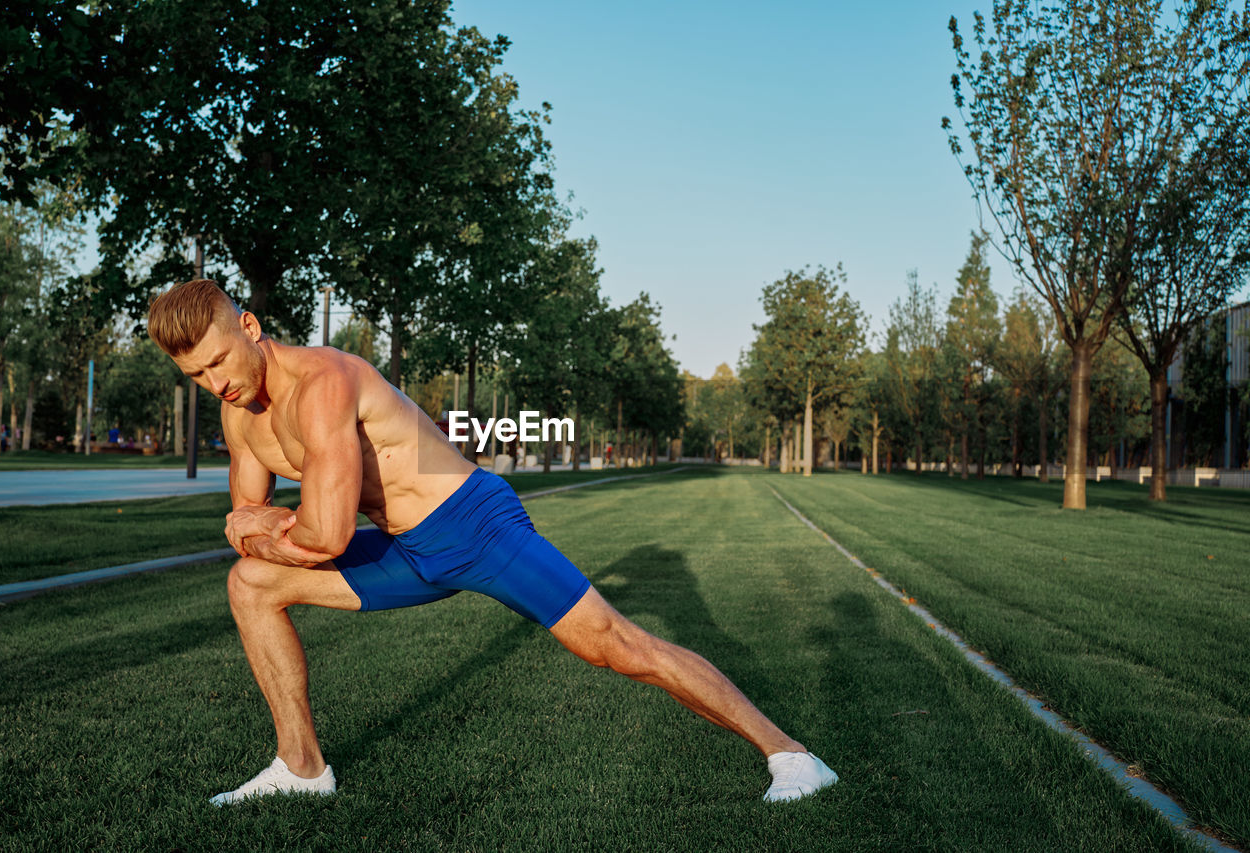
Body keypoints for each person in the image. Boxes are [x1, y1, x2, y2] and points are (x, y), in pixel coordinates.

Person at [147, 280, 838, 807]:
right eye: (198, 377)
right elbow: (250, 528)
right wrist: (255, 526)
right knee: (251, 586)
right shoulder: (241, 415)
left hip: (473, 524)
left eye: (218, 363)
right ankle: (302, 768)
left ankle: (792, 755)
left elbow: (320, 535)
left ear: (249, 325)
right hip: (406, 548)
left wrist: (260, 525)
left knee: (617, 646)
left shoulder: (327, 381)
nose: (217, 384)